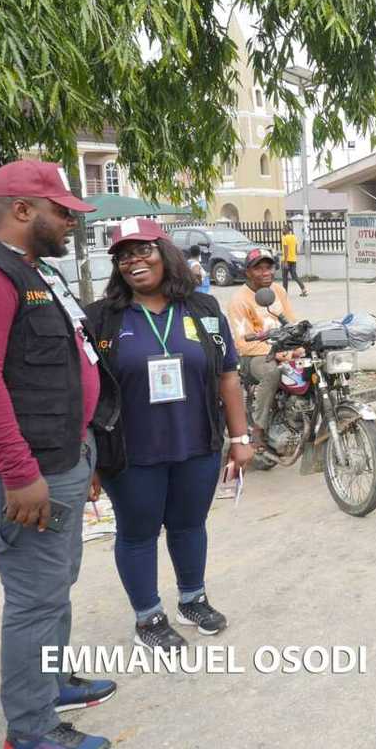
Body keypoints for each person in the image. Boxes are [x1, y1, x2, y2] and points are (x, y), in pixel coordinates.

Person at [0, 161, 118, 749]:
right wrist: (19, 472)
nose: (70, 222)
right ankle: (31, 730)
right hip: (26, 473)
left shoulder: (31, 269)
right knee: (35, 597)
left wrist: (83, 451)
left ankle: (51, 681)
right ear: (22, 210)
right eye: (61, 211)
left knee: (57, 582)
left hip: (62, 458)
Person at [85, 219, 253, 650]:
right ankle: (148, 618)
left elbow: (228, 376)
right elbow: (83, 392)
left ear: (166, 254)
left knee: (189, 524)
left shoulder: (203, 308)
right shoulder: (100, 318)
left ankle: (192, 599)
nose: (133, 261)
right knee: (138, 532)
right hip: (130, 452)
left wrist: (240, 439)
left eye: (143, 250)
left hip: (196, 443)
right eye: (124, 256)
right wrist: (85, 459)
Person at [226, 248, 298, 449]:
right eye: (259, 268)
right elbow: (243, 343)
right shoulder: (239, 300)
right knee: (272, 372)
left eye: (269, 267)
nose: (266, 273)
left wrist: (299, 343)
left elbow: (291, 322)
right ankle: (259, 427)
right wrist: (277, 353)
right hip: (252, 355)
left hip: (281, 350)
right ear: (248, 272)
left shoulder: (278, 291)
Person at [280, 223, 308, 297]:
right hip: (293, 259)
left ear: (286, 230)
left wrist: (285, 261)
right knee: (295, 276)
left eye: (283, 229)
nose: (282, 230)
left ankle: (284, 293)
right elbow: (296, 250)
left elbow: (286, 250)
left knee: (285, 277)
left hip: (286, 260)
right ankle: (303, 289)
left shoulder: (284, 238)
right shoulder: (294, 237)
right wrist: (293, 256)